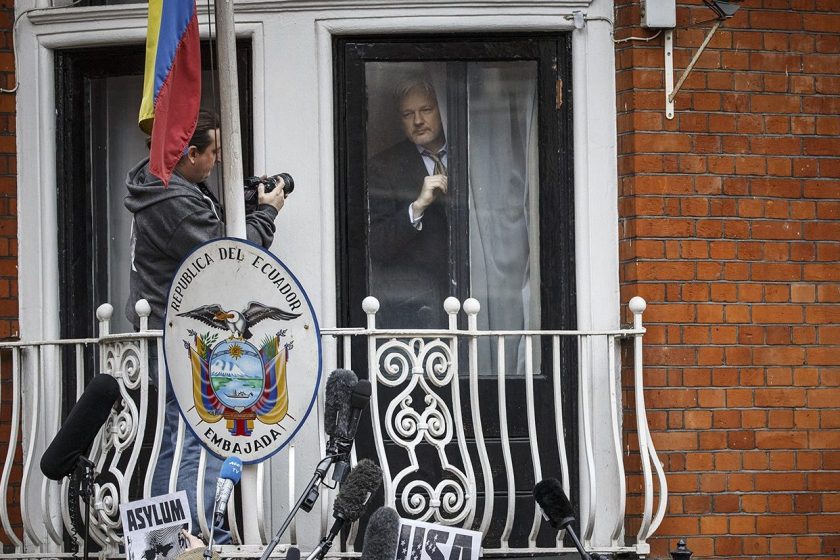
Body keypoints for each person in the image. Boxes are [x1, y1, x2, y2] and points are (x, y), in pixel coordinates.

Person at [124, 109, 287, 542]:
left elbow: (210, 229)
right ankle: (194, 537)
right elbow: (224, 254)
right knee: (190, 436)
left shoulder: (170, 185)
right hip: (178, 333)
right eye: (213, 151)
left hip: (179, 330)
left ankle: (181, 534)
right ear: (189, 152)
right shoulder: (173, 201)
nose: (218, 159)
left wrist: (246, 202)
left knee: (184, 434)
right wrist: (266, 214)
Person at [366, 79, 451, 328]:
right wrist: (416, 208)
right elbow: (377, 244)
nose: (418, 121)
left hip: (475, 295)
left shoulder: (472, 151)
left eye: (426, 110)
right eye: (408, 114)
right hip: (415, 303)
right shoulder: (384, 167)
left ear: (442, 109)